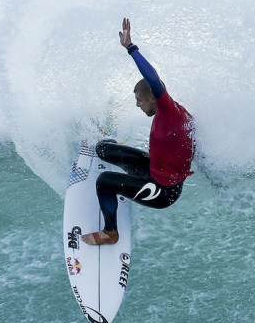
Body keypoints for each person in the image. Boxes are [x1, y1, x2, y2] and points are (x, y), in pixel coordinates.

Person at [81, 18, 195, 245]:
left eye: (139, 101)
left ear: (153, 97)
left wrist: (131, 48)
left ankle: (110, 233)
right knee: (103, 148)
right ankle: (121, 175)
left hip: (163, 191)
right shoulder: (171, 113)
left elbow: (152, 77)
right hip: (153, 168)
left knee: (104, 181)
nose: (137, 105)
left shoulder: (169, 111)